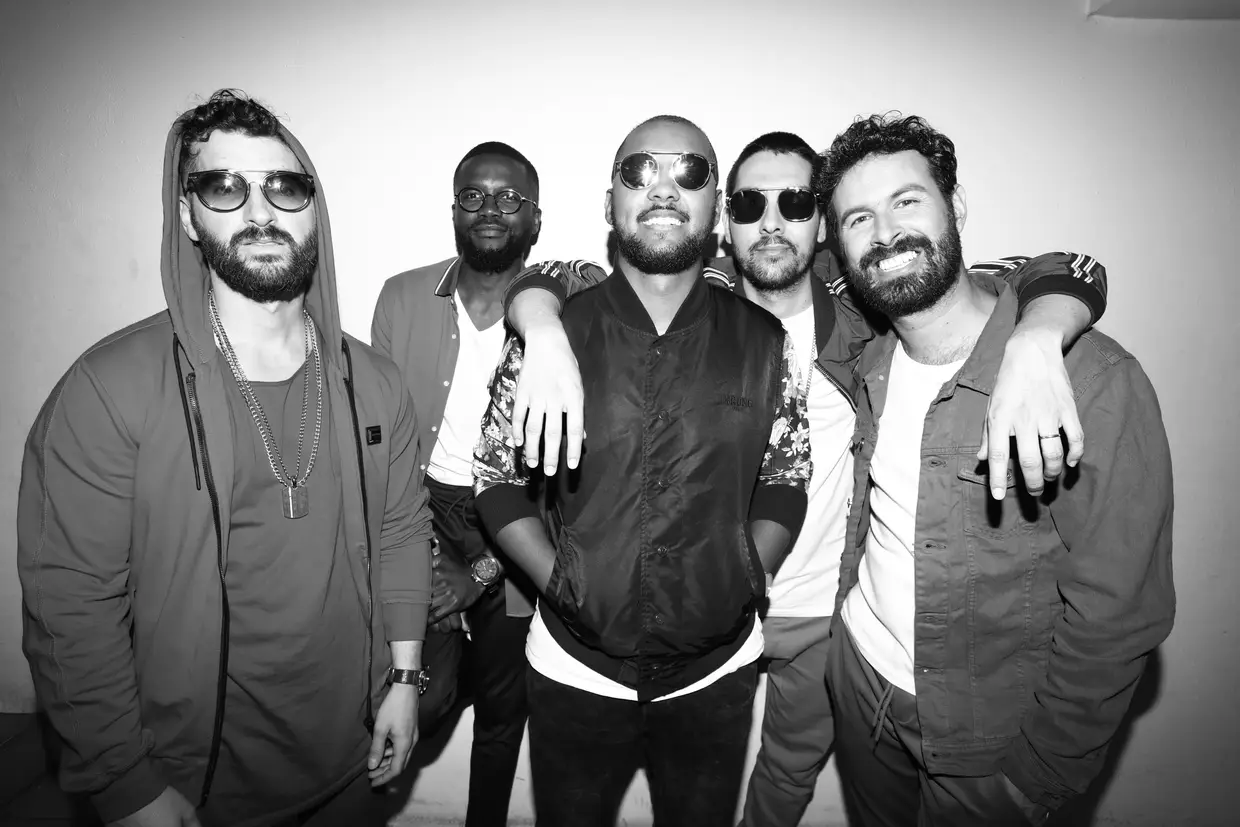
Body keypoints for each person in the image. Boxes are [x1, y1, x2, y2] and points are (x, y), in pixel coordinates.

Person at [501, 129, 1108, 824]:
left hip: (822, 614)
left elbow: (1046, 269)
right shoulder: (690, 285)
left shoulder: (866, 313)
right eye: (749, 204)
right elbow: (555, 274)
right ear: (724, 220)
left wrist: (1038, 335)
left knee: (784, 779)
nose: (771, 222)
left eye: (795, 202)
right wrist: (539, 326)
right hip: (672, 617)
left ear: (821, 223)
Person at [16, 89, 432, 827]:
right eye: (224, 186)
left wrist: (403, 679)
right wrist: (125, 786)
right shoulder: (111, 388)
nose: (260, 211)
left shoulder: (375, 381)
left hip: (353, 762)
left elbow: (401, 533)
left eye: (285, 186)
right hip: (187, 784)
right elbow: (71, 606)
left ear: (314, 209)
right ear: (187, 214)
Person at [816, 113, 1174, 826]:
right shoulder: (866, 355)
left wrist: (1038, 777)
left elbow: (1118, 612)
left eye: (906, 201)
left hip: (987, 742)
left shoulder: (1089, 378)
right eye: (858, 218)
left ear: (956, 206)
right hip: (860, 683)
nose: (885, 233)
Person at [472, 115, 811, 826]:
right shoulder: (551, 335)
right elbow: (495, 478)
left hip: (716, 673)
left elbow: (786, 475)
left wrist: (746, 571)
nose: (662, 188)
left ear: (715, 208)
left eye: (689, 172)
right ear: (610, 202)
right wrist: (559, 582)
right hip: (573, 669)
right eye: (639, 171)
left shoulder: (766, 342)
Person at [370, 141, 542, 827]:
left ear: (535, 217)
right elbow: (382, 447)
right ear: (453, 211)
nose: (490, 208)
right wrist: (425, 556)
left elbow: (570, 479)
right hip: (422, 510)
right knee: (427, 696)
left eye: (509, 197)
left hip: (524, 521)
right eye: (474, 195)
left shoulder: (563, 314)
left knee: (504, 710)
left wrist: (482, 572)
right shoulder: (402, 296)